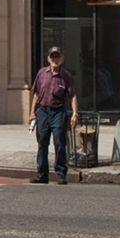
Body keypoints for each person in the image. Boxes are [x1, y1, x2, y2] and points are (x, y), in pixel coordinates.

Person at [28, 46, 79, 184]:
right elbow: (36, 94)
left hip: (58, 112)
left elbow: (73, 95)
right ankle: (42, 174)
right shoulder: (41, 73)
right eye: (53, 57)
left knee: (59, 142)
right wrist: (32, 113)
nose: (55, 59)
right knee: (42, 142)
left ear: (62, 59)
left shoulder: (66, 76)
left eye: (57, 57)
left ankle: (61, 174)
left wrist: (75, 113)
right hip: (43, 112)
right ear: (48, 59)